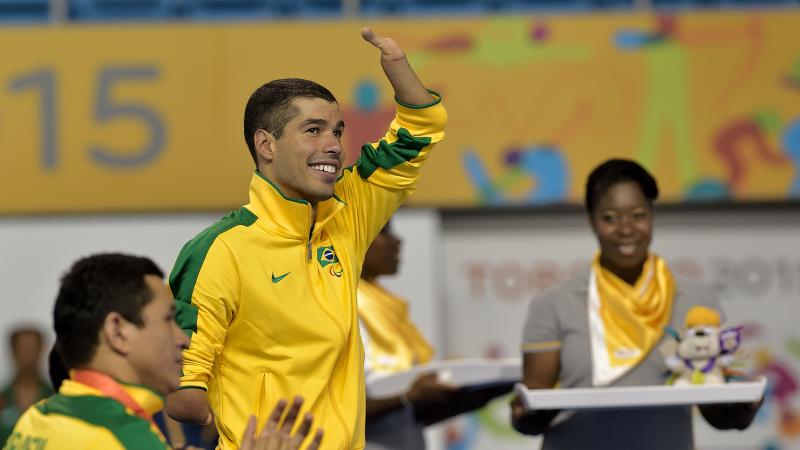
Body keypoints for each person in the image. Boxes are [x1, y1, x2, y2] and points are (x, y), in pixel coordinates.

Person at [165, 27, 447, 450]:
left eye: (337, 131)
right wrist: (208, 408)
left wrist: (398, 68)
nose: (334, 144)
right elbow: (183, 377)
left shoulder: (348, 211)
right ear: (266, 145)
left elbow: (419, 133)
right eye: (313, 130)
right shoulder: (220, 249)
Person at [511, 159, 761, 450]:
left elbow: (714, 410)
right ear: (591, 220)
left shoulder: (696, 301)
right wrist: (525, 412)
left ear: (652, 216)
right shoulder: (554, 302)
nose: (626, 229)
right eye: (610, 218)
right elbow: (530, 412)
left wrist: (740, 409)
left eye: (638, 215)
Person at [3, 253, 323, 450]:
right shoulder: (121, 438)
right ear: (118, 331)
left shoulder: (38, 417)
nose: (183, 339)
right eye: (168, 320)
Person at [359, 221, 512, 449]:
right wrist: (407, 398)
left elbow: (402, 418)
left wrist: (463, 400)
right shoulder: (339, 307)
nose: (398, 241)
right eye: (384, 231)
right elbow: (336, 408)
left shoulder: (382, 302)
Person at [0, 327, 53, 446]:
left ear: (41, 350)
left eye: (32, 348)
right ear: (13, 351)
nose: (28, 355)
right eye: (22, 348)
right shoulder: (2, 399)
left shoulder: (56, 399)